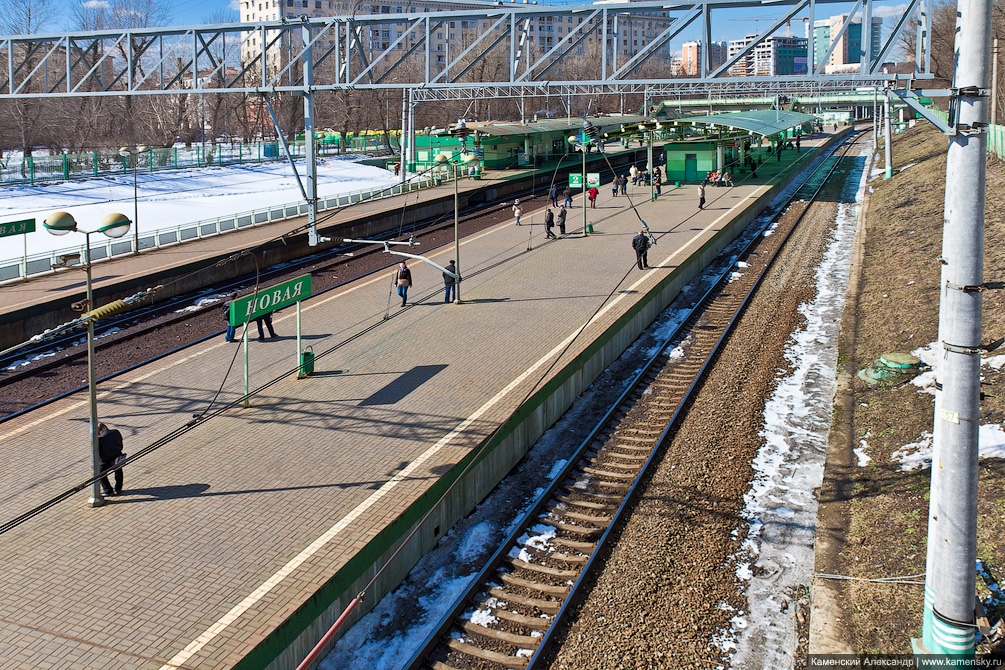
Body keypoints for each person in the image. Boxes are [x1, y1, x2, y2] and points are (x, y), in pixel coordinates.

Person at [97, 422, 124, 496]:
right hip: (117, 456)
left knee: (100, 474)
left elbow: (99, 452)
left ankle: (108, 490)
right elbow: (121, 444)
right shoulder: (116, 432)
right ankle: (118, 488)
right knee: (118, 471)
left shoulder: (100, 439)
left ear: (100, 431)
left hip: (106, 460)